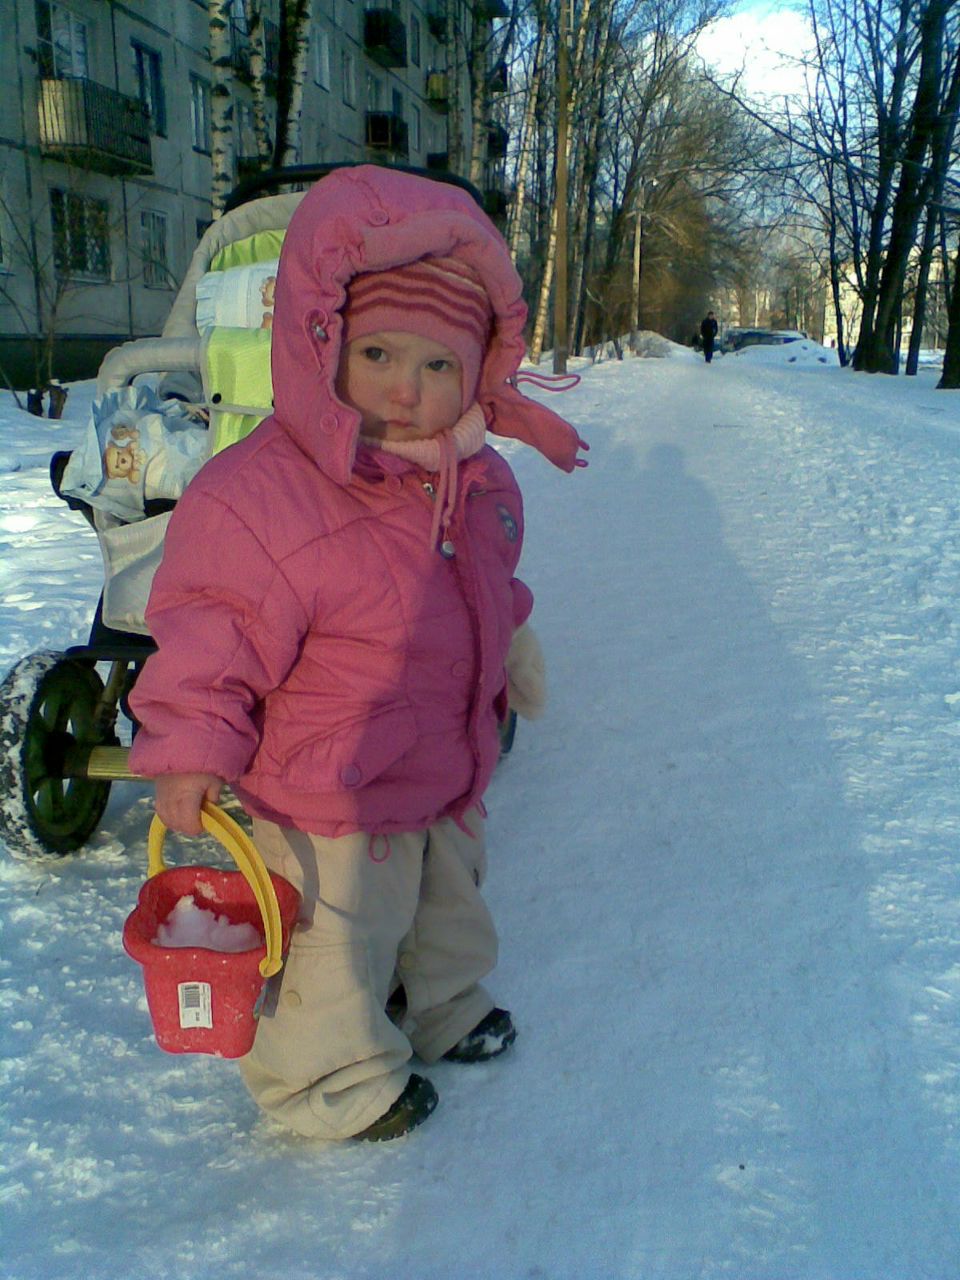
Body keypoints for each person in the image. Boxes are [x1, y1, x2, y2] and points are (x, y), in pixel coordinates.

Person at [128, 165, 587, 1143]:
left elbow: (483, 587)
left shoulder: (479, 481)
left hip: (440, 759)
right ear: (322, 342)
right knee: (335, 939)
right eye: (378, 351)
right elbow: (212, 629)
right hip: (326, 785)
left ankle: (442, 1005)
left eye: (438, 365)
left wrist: (512, 645)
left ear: (478, 373)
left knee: (447, 903)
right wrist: (189, 747)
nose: (406, 387)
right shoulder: (263, 494)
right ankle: (327, 1080)